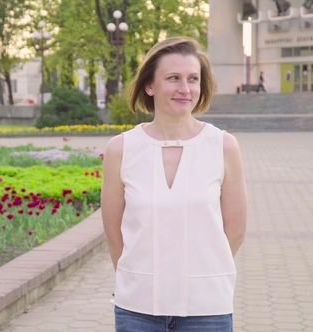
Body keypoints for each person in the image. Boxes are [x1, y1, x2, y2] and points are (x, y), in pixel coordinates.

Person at [101, 36, 248, 332]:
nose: (185, 88)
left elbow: (236, 231)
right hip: (137, 309)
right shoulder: (122, 149)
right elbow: (114, 232)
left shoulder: (223, 146)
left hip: (207, 308)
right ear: (150, 86)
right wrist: (139, 279)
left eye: (193, 79)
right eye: (173, 78)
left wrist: (199, 275)